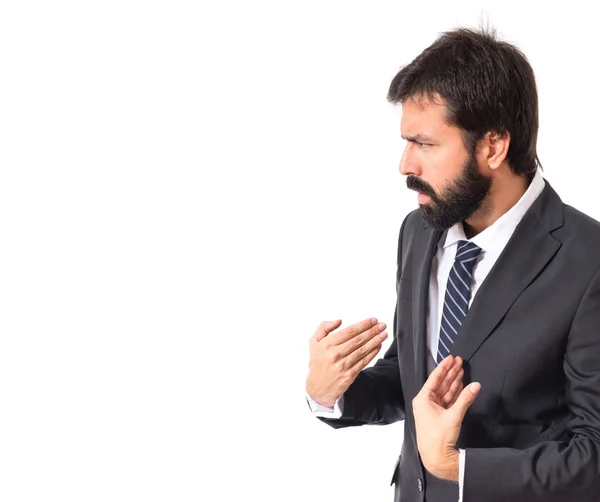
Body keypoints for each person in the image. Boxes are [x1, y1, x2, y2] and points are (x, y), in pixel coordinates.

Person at [305, 26, 600, 502]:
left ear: (493, 147)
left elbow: (594, 456)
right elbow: (413, 381)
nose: (405, 165)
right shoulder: (419, 231)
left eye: (425, 143)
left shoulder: (588, 261)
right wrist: (331, 391)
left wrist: (459, 467)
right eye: (406, 142)